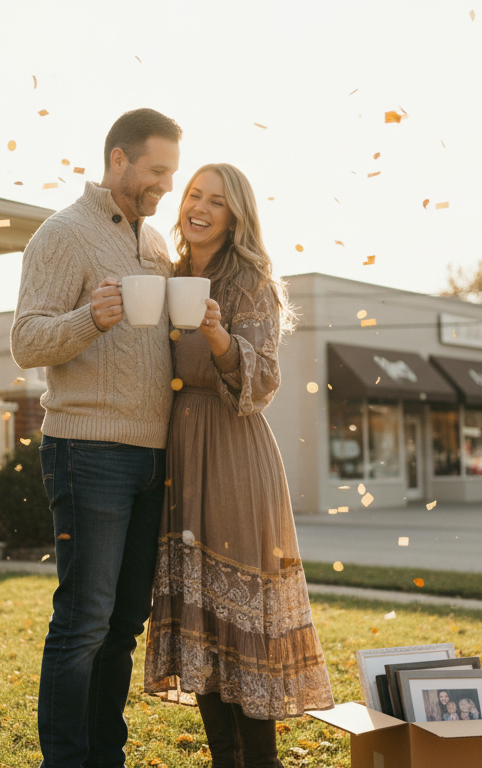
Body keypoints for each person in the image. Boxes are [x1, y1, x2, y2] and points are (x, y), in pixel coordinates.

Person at [143, 163, 334, 768]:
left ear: (236, 216)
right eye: (193, 195)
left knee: (240, 612)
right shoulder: (170, 275)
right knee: (198, 607)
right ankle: (224, 758)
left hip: (232, 450)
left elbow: (264, 382)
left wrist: (221, 336)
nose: (199, 207)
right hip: (179, 451)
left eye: (216, 202)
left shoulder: (249, 279)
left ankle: (262, 761)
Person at [11, 108, 182, 767]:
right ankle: (67, 759)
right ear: (118, 161)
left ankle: (102, 753)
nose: (166, 184)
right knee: (82, 623)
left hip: (150, 455)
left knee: (122, 625)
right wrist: (90, 318)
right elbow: (26, 341)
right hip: (87, 451)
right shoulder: (63, 236)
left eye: (172, 171)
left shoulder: (155, 244)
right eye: (157, 170)